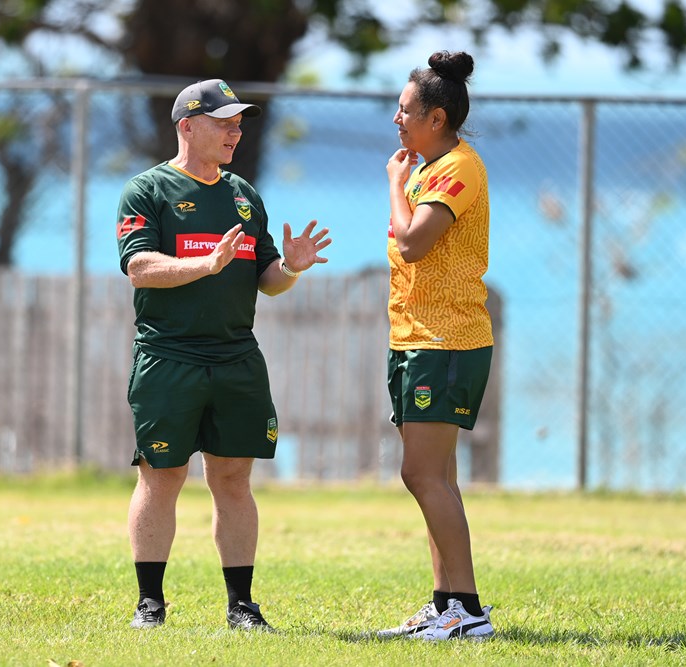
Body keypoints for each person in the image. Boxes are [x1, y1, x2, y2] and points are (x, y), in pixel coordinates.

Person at [115, 78, 331, 631]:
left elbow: (266, 278)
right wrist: (204, 266)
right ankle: (150, 605)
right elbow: (140, 268)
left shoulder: (244, 195)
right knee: (161, 474)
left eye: (239, 122)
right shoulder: (148, 190)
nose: (236, 131)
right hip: (168, 357)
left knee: (234, 478)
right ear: (187, 125)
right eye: (224, 121)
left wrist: (293, 268)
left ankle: (242, 606)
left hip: (236, 358)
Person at [376, 51, 495, 641]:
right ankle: (446, 604)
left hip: (446, 341)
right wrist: (406, 180)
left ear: (438, 118)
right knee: (436, 478)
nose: (396, 120)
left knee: (421, 475)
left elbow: (415, 242)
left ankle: (468, 609)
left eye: (404, 111)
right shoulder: (430, 165)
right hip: (417, 338)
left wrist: (395, 184)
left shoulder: (456, 169)